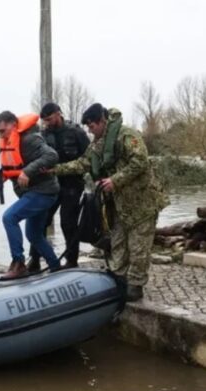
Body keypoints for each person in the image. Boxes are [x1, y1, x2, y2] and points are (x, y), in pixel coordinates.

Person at [55, 104, 168, 301]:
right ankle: (119, 277)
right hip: (119, 205)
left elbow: (140, 162)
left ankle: (136, 285)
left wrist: (114, 181)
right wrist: (54, 169)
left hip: (143, 202)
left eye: (92, 127)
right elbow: (83, 164)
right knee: (118, 243)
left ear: (102, 121)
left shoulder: (127, 136)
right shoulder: (98, 145)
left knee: (138, 246)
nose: (90, 131)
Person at [0, 110, 60, 278]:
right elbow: (14, 164)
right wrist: (4, 176)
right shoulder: (9, 142)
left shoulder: (30, 139)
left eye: (3, 130)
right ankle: (56, 267)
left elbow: (52, 155)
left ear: (14, 125)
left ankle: (19, 264)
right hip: (31, 193)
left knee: (9, 217)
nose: (1, 135)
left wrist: (28, 172)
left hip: (44, 192)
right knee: (33, 234)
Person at [27, 102, 90, 271]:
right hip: (50, 186)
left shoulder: (77, 132)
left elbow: (89, 158)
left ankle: (71, 260)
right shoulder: (43, 135)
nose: (47, 123)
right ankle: (34, 259)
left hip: (72, 185)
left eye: (49, 119)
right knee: (41, 221)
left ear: (58, 113)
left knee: (68, 223)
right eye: (45, 120)